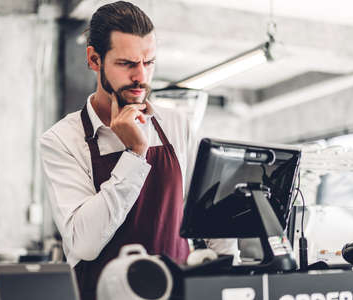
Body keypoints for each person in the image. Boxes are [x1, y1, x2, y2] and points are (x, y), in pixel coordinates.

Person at [40, 2, 239, 299]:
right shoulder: (62, 140)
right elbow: (85, 243)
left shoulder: (175, 124)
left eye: (149, 63)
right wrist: (135, 154)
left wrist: (229, 280)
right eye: (127, 64)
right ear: (94, 59)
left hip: (176, 293)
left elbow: (210, 219)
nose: (141, 77)